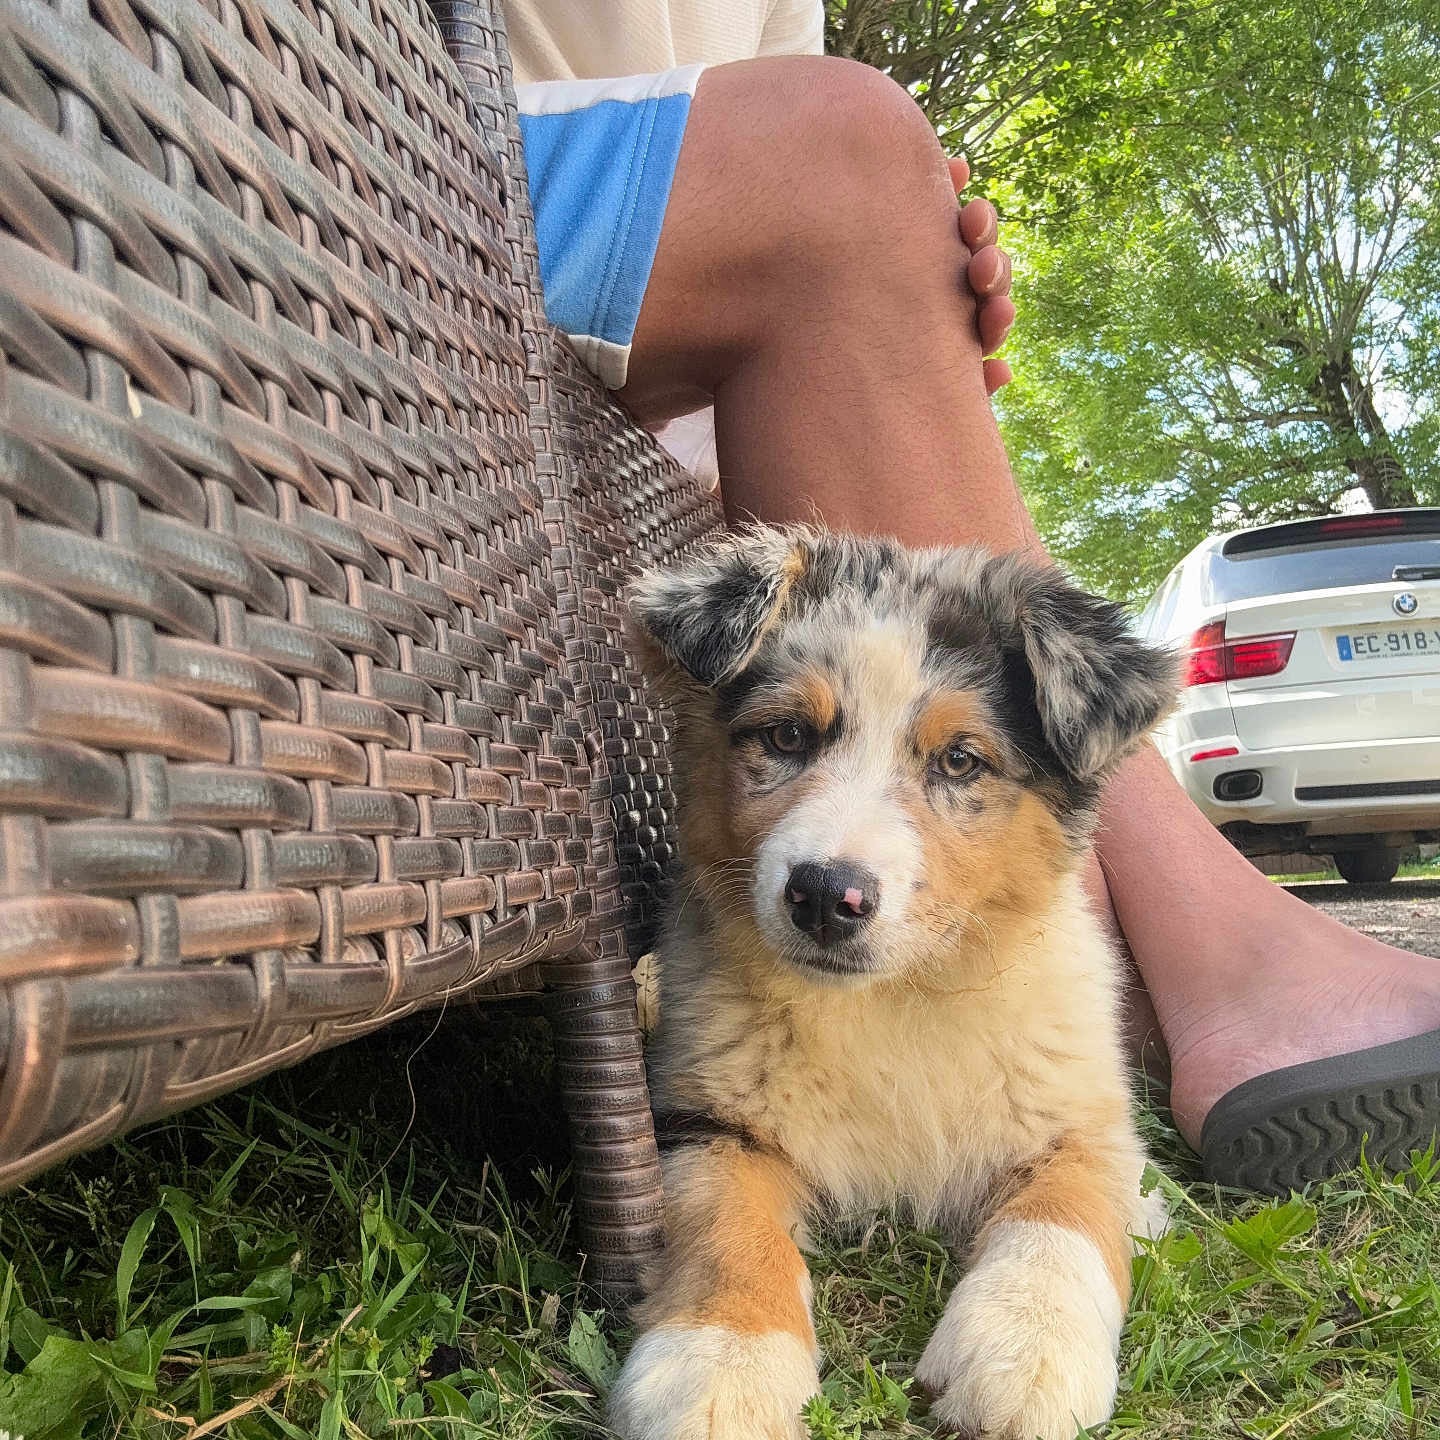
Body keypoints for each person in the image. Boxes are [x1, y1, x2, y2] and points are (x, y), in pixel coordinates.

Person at [504, 0, 1440, 1187]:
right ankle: (1213, 951)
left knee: (863, 182)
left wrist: (896, 312)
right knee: (839, 146)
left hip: (568, 269)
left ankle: (1102, 964)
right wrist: (838, 197)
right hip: (363, 158)